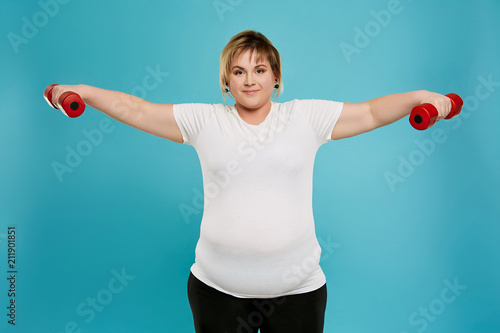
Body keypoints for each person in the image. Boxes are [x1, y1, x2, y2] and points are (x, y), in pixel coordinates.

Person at [48, 30, 452, 333]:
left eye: (259, 69)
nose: (249, 79)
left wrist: (422, 97)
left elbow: (369, 112)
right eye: (238, 71)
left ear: (276, 76)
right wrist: (81, 91)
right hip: (216, 294)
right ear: (226, 81)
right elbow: (136, 109)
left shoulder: (305, 117)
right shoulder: (205, 120)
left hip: (298, 294)